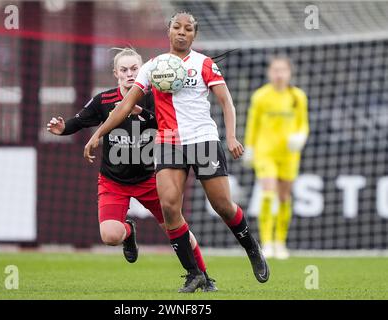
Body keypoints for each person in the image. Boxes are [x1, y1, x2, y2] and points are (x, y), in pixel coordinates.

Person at [83, 13, 269, 293]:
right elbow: (124, 106)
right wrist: (98, 133)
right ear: (168, 31)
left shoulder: (203, 63)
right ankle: (194, 274)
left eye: (188, 29)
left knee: (223, 206)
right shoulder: (152, 67)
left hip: (204, 141)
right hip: (169, 143)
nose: (182, 33)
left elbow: (226, 101)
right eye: (177, 27)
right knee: (170, 208)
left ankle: (251, 248)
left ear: (194, 34)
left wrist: (230, 136)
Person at [47, 47, 217, 292]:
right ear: (116, 73)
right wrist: (63, 128)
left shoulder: (156, 98)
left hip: (150, 179)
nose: (129, 74)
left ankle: (204, 276)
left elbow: (172, 125)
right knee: (110, 236)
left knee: (177, 228)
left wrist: (145, 114)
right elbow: (79, 120)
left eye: (134, 69)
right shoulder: (104, 100)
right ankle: (129, 232)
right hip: (113, 181)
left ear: (144, 71)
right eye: (124, 70)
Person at [242, 57, 309, 259]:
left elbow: (303, 124)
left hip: (289, 155)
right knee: (268, 193)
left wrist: (301, 137)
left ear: (290, 73)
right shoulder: (261, 96)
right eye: (275, 70)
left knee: (284, 197)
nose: (279, 74)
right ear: (269, 73)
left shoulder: (297, 97)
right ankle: (267, 242)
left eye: (283, 70)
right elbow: (252, 123)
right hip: (265, 152)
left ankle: (280, 242)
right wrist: (250, 148)